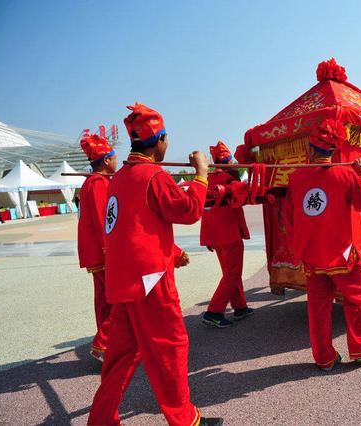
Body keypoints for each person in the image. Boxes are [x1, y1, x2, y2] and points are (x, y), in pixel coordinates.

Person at [88, 103, 222, 426]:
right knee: (171, 347)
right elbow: (189, 210)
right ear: (158, 140)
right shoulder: (154, 176)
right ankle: (184, 419)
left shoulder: (117, 179)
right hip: (151, 283)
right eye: (166, 138)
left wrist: (172, 251)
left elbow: (133, 228)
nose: (168, 144)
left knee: (121, 357)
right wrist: (201, 175)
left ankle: (102, 420)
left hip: (124, 283)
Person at [285, 118, 361, 371]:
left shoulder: (295, 178)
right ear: (334, 150)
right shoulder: (345, 174)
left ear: (310, 148)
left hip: (312, 254)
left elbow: (289, 219)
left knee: (317, 307)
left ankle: (324, 357)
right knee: (357, 297)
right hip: (341, 252)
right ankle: (360, 349)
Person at [200, 141, 252, 328]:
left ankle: (240, 307)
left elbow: (205, 211)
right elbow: (246, 195)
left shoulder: (208, 179)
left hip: (215, 235)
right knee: (232, 273)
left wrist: (207, 238)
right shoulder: (229, 180)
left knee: (230, 273)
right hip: (229, 234)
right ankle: (214, 311)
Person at [78, 133, 117, 361]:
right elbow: (106, 221)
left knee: (104, 300)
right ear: (105, 161)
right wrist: (111, 251)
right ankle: (102, 343)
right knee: (119, 301)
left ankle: (107, 345)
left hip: (96, 253)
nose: (115, 162)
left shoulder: (91, 183)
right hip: (103, 254)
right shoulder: (99, 184)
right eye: (113, 158)